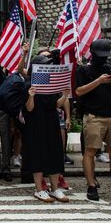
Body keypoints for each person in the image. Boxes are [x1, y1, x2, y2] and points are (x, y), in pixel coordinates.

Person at [23, 55, 69, 203]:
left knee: (55, 152)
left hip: (51, 121)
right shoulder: (28, 84)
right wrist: (31, 96)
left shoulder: (51, 83)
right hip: (36, 123)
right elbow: (29, 109)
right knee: (38, 153)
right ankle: (39, 189)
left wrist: (65, 94)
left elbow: (57, 104)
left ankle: (55, 188)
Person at [75, 39, 111, 201]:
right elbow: (79, 91)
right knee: (90, 151)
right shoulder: (83, 70)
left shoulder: (109, 68)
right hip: (94, 116)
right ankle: (91, 185)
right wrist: (98, 81)